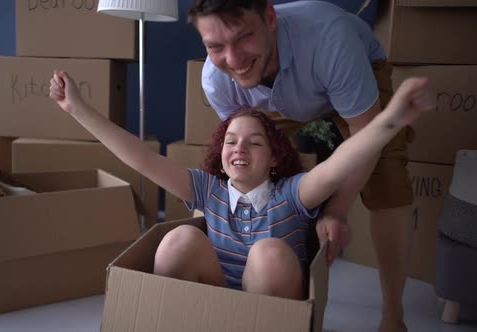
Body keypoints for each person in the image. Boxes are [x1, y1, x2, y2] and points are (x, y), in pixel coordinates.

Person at [49, 69, 434, 302]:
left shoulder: (293, 192)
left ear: (273, 158)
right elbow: (140, 158)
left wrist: (391, 120)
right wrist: (78, 109)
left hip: (271, 306)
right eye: (231, 141)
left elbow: (342, 162)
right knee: (177, 239)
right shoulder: (208, 190)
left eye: (254, 142)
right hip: (213, 298)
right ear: (220, 151)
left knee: (268, 252)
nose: (239, 148)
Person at [188, 1, 414, 330]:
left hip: (345, 72)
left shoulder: (331, 41)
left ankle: (393, 316)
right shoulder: (217, 78)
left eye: (244, 37)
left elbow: (368, 138)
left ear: (269, 17)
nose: (233, 60)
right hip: (273, 98)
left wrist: (336, 210)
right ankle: (280, 279)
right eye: (215, 46)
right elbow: (246, 167)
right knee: (265, 166)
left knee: (387, 180)